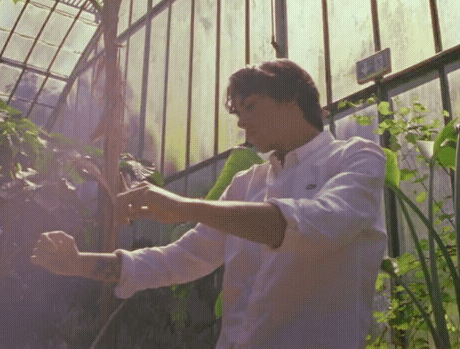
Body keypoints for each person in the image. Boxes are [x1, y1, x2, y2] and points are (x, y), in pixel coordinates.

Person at [31, 59, 387, 348]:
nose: (242, 121)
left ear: (291, 98)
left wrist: (186, 207)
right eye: (238, 113)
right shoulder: (247, 183)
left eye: (251, 106)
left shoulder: (355, 158)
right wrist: (78, 263)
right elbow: (180, 258)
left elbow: (317, 223)